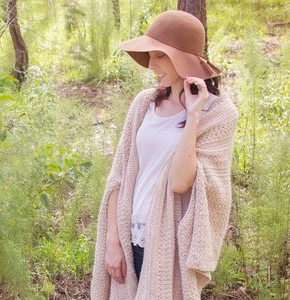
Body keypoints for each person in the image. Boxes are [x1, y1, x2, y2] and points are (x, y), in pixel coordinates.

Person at [91, 10, 238, 300]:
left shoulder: (218, 116)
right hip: (127, 233)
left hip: (168, 244)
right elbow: (119, 175)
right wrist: (112, 241)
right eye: (150, 55)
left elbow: (180, 183)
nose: (151, 65)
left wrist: (193, 116)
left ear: (184, 59)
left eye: (160, 56)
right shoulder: (143, 104)